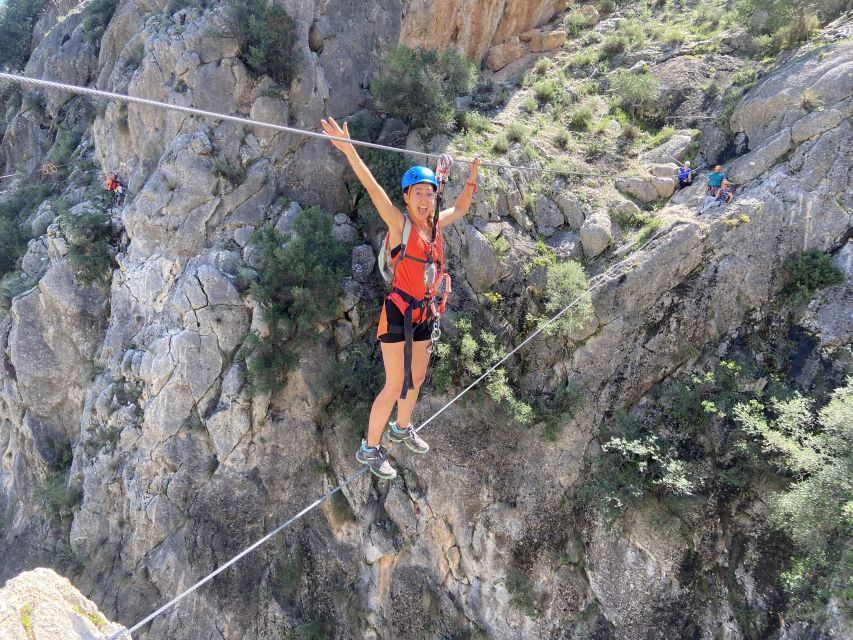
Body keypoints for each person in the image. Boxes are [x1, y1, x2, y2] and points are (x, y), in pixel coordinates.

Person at [320, 116, 481, 480]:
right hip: (398, 315)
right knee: (394, 384)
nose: (426, 200)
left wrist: (471, 177)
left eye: (430, 193)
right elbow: (372, 186)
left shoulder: (435, 225)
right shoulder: (400, 224)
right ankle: (369, 448)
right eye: (418, 194)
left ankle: (401, 427)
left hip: (425, 314)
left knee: (417, 379)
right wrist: (350, 152)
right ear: (407, 198)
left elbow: (463, 208)